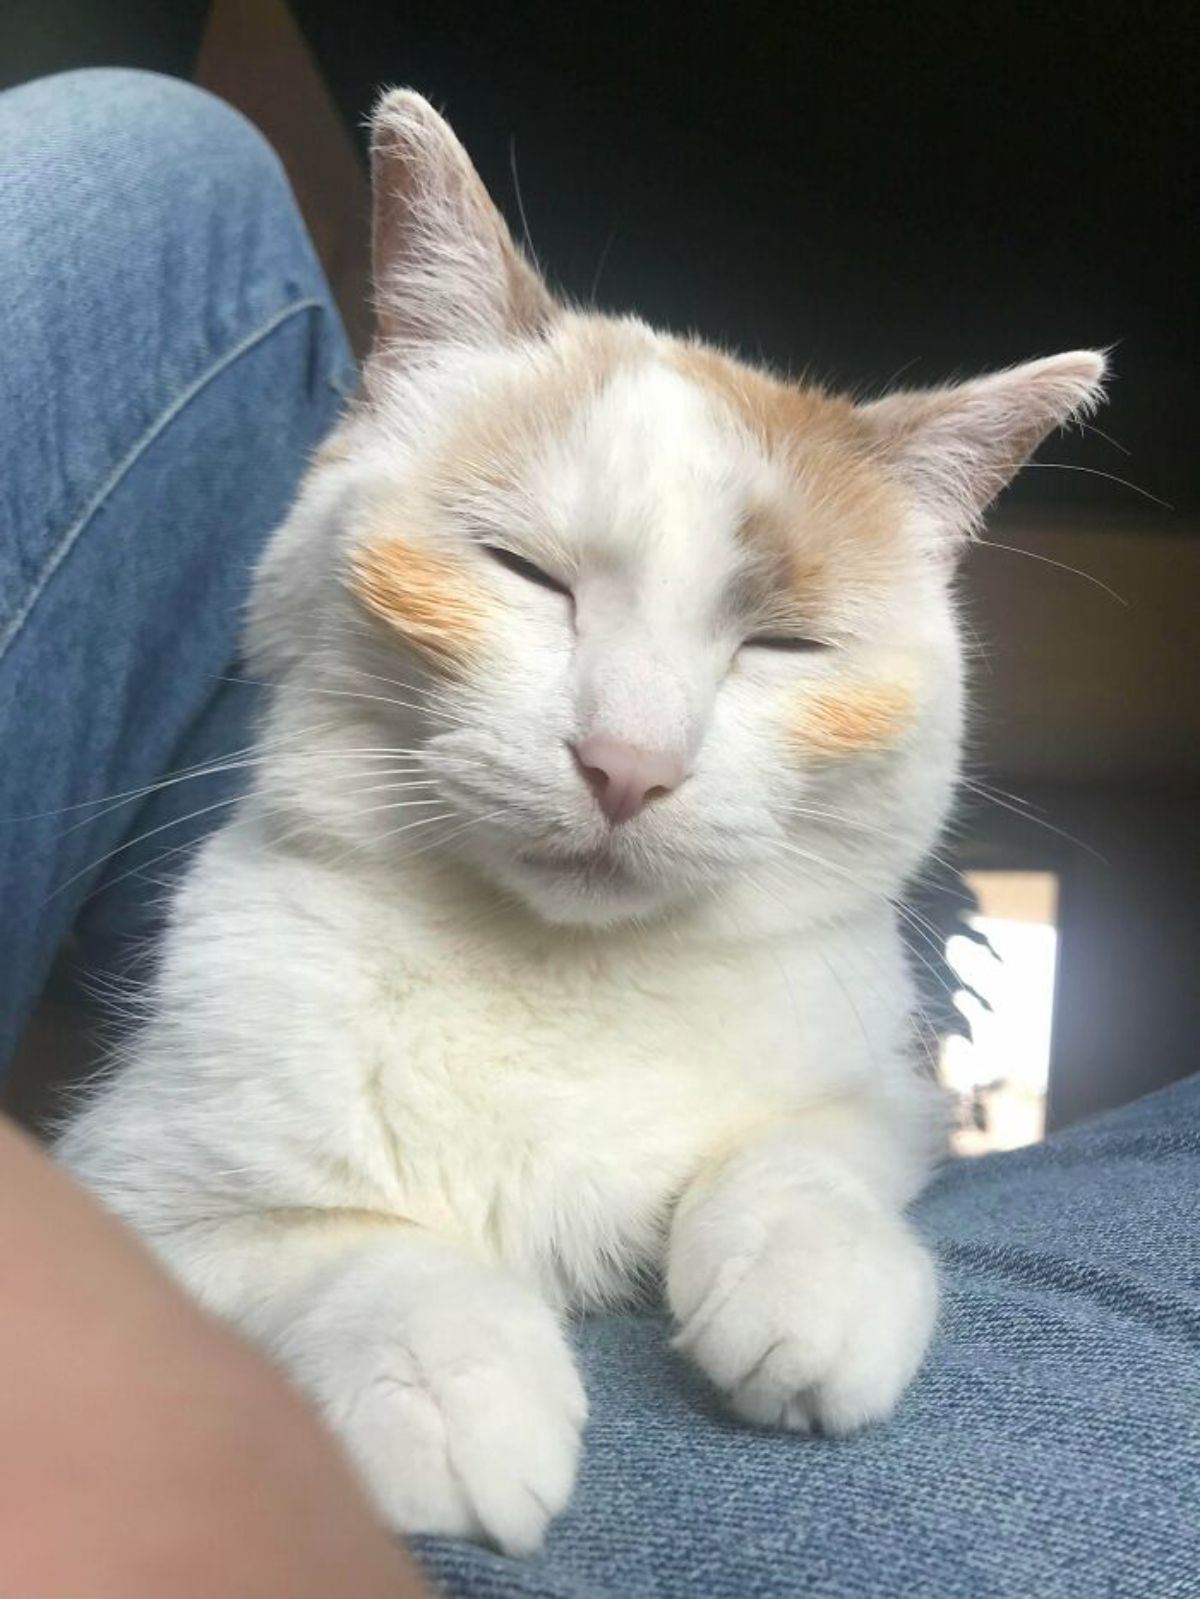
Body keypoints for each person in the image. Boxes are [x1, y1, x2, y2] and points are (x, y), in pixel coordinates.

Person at [1, 68, 1196, 1599]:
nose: (631, 749)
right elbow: (151, 1236)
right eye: (520, 567)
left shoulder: (822, 997)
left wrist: (796, 1189)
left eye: (781, 650)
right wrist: (357, 1289)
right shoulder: (259, 948)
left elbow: (859, 1113)